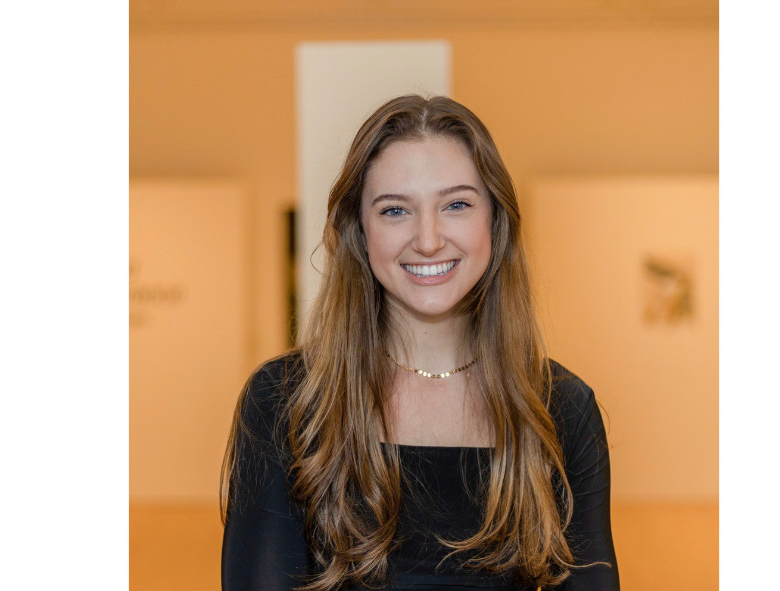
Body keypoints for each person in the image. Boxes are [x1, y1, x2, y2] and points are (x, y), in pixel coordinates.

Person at [220, 95, 619, 591]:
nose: (428, 240)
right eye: (395, 211)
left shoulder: (561, 409)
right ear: (360, 231)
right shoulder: (285, 401)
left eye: (456, 204)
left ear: (494, 221)